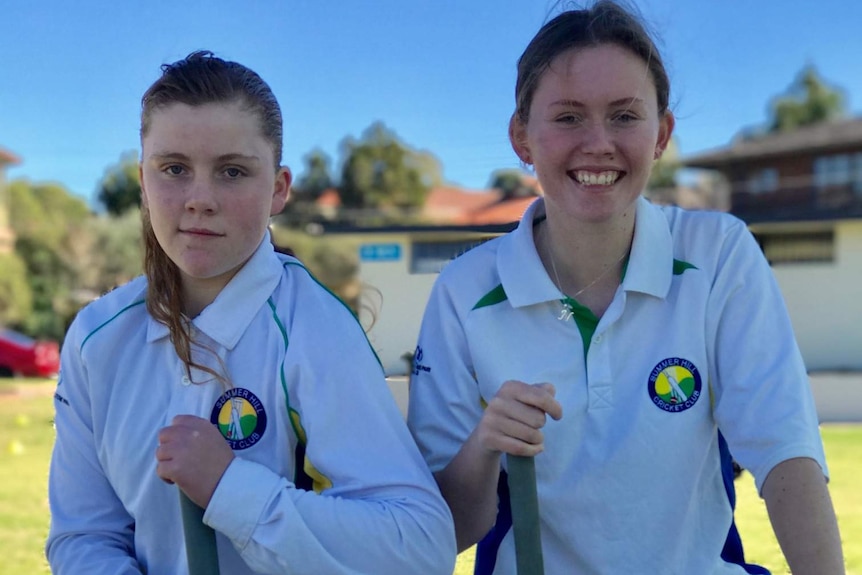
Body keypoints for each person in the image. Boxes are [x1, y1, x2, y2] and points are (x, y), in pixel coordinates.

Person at [407, 2, 845, 574]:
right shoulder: (464, 290)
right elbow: (438, 532)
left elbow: (785, 451)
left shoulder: (719, 255)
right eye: (567, 117)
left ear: (661, 134)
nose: (598, 143)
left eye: (624, 116)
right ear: (522, 137)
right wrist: (485, 445)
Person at [46, 51, 456, 575]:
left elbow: (419, 546)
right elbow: (83, 536)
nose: (200, 199)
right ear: (142, 182)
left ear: (279, 189)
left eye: (232, 172)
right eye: (173, 169)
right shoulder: (95, 338)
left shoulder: (316, 329)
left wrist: (231, 490)